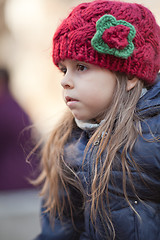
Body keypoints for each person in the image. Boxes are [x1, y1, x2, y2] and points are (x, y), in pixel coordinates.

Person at [34, 0, 160, 239]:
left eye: (81, 67)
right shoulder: (68, 143)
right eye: (64, 69)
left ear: (129, 76)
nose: (65, 81)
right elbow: (60, 229)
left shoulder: (154, 135)